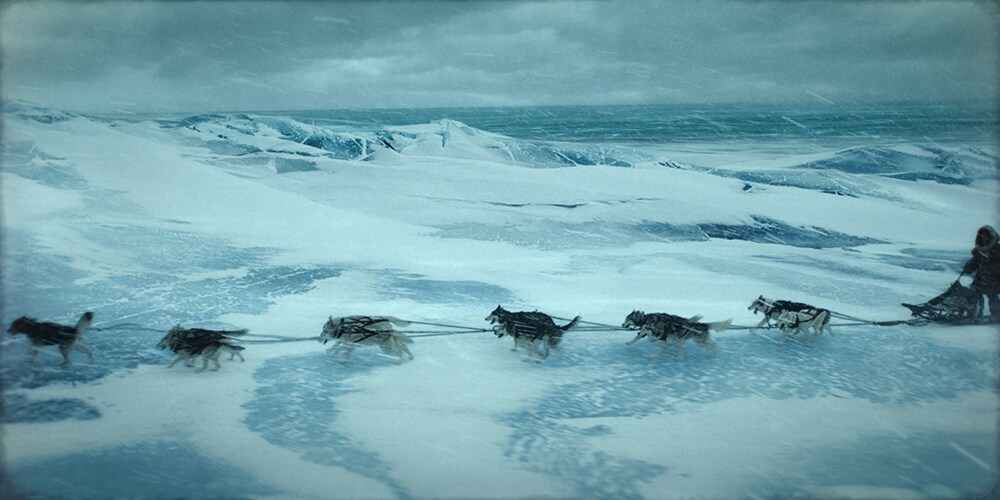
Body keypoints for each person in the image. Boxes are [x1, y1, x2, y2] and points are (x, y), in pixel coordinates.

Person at [961, 225, 1000, 321]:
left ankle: (996, 316)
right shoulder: (980, 251)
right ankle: (976, 313)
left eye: (986, 236)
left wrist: (991, 269)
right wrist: (969, 266)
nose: (984, 239)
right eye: (982, 236)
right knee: (973, 294)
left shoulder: (998, 250)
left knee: (992, 296)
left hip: (994, 280)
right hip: (981, 278)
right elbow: (974, 261)